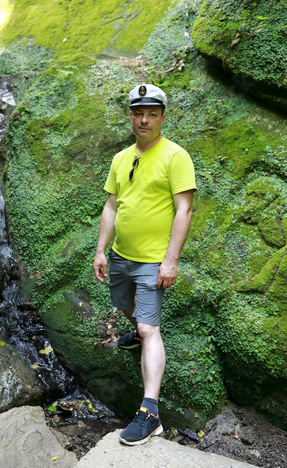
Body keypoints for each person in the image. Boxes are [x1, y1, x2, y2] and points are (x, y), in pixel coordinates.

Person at [93, 84, 196, 446]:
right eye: (139, 113)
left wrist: (171, 260)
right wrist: (101, 250)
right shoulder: (121, 158)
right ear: (131, 117)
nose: (145, 119)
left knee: (151, 329)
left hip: (153, 262)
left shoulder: (175, 156)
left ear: (163, 117)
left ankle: (150, 412)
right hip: (121, 254)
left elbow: (184, 209)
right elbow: (111, 206)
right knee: (123, 305)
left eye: (152, 113)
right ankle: (136, 331)